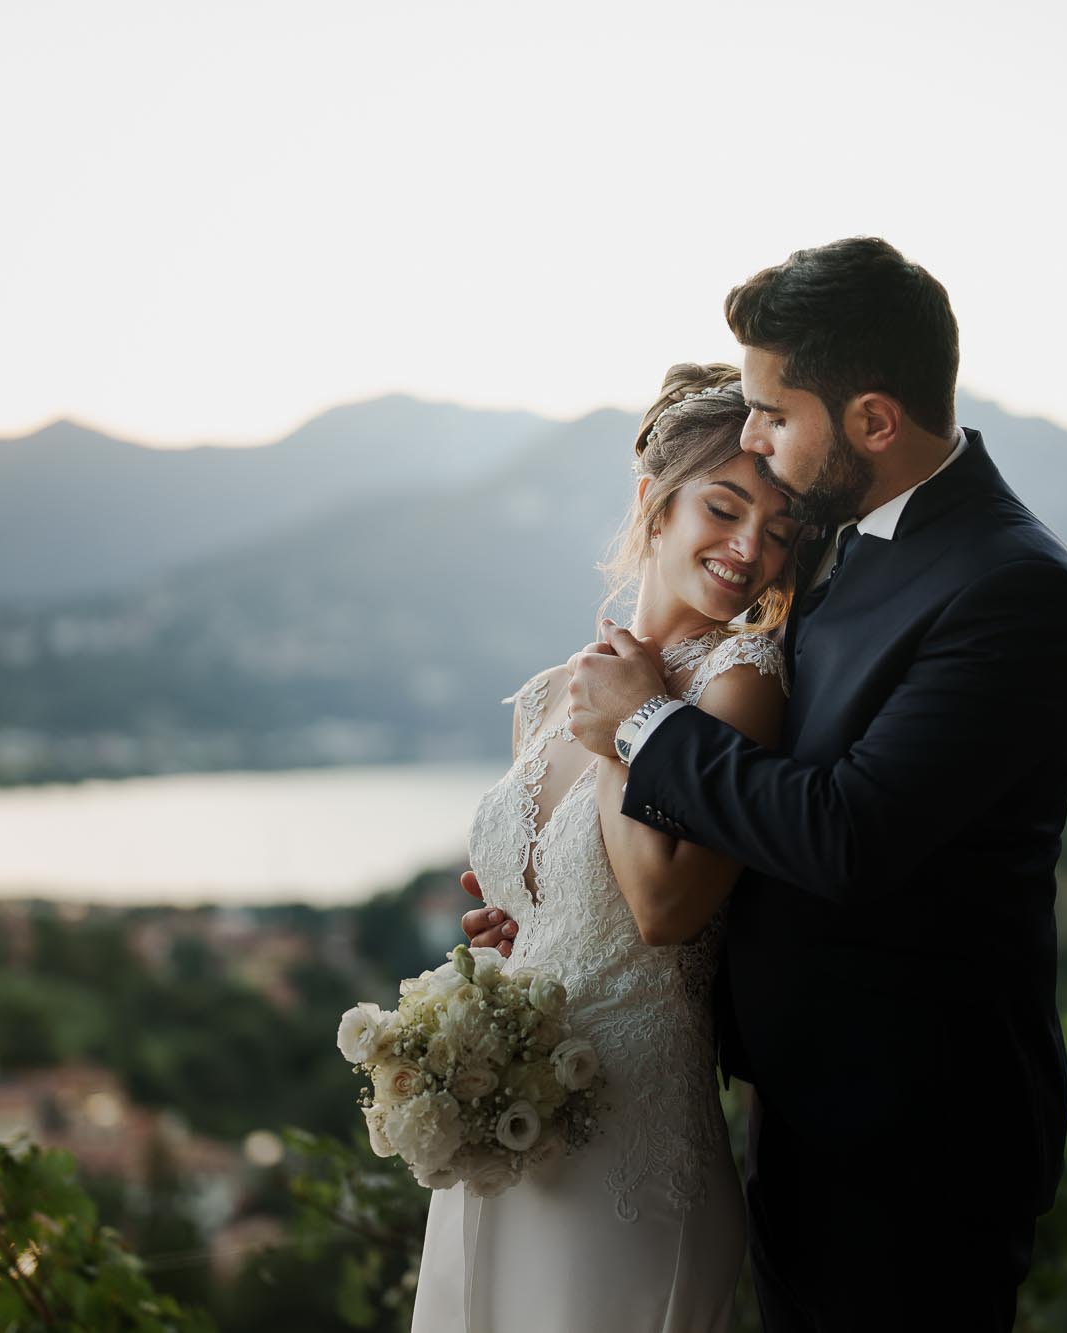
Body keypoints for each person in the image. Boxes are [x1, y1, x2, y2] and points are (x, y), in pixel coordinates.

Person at [467, 237, 1067, 1331]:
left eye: (772, 411)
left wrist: (644, 726)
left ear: (870, 420)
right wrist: (560, 930)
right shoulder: (838, 550)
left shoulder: (1010, 588)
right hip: (789, 1118)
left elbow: (848, 832)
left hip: (918, 1146)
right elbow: (745, 832)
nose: (754, 435)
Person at [411, 362, 807, 1332]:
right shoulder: (553, 694)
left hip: (630, 1144)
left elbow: (663, 911)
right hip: (510, 1121)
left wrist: (627, 727)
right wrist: (519, 931)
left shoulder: (740, 684)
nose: (748, 547)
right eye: (722, 508)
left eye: (780, 533)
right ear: (653, 506)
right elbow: (568, 898)